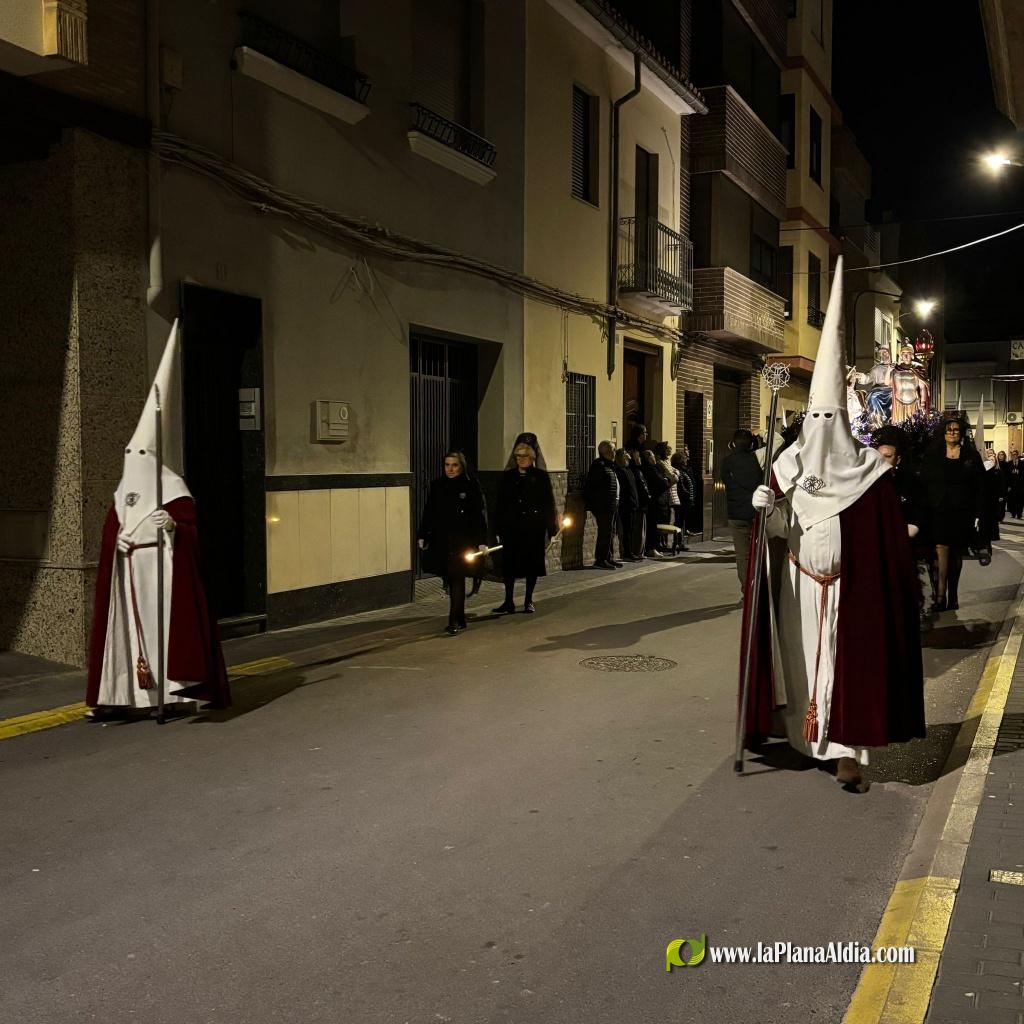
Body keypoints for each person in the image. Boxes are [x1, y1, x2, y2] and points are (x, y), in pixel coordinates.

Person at [742, 257, 925, 789]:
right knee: (802, 667)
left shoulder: (869, 475)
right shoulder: (787, 467)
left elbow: (887, 539)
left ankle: (848, 753)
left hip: (851, 591)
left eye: (830, 419)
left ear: (842, 423)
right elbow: (778, 534)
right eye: (814, 419)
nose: (821, 428)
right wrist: (767, 509)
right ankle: (806, 739)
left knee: (848, 669)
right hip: (798, 584)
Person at [86, 321, 231, 718]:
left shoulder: (173, 483)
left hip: (163, 574)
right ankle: (126, 697)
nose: (134, 461)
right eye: (130, 453)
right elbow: (112, 525)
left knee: (164, 631)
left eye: (141, 455)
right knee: (131, 637)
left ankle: (174, 695)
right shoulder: (123, 488)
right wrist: (114, 542)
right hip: (129, 572)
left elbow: (190, 528)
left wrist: (173, 528)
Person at [417, 451, 488, 635]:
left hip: (463, 540)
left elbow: (478, 516)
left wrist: (481, 541)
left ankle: (454, 619)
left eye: (454, 465)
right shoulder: (438, 485)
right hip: (442, 540)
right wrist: (423, 534)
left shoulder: (471, 486)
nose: (450, 469)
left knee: (457, 578)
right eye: (447, 465)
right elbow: (429, 512)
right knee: (449, 577)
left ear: (462, 466)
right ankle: (461, 617)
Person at [919, 416, 984, 611]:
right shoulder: (933, 454)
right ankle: (940, 597)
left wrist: (979, 513)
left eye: (956, 430)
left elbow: (980, 486)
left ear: (961, 432)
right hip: (939, 510)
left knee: (956, 553)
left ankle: (953, 594)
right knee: (941, 550)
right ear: (943, 432)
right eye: (949, 430)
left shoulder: (971, 456)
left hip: (963, 511)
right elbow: (925, 481)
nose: (953, 433)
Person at [493, 441, 558, 614]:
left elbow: (548, 504)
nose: (520, 459)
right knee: (509, 565)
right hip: (512, 528)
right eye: (518, 456)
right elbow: (500, 503)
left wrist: (552, 529)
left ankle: (528, 600)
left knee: (532, 564)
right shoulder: (508, 477)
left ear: (532, 458)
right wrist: (497, 528)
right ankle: (508, 601)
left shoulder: (540, 477)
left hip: (533, 528)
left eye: (524, 456)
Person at [721, 429, 762, 596]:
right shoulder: (757, 459)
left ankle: (747, 591)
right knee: (759, 552)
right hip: (756, 512)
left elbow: (725, 480)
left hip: (736, 513)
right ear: (751, 443)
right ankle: (759, 588)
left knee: (742, 555)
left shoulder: (727, 462)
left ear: (733, 443)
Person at [584, 441, 621, 569]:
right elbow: (594, 487)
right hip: (604, 506)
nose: (615, 452)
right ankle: (601, 559)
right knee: (605, 532)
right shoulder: (599, 466)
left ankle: (608, 557)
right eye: (613, 450)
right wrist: (598, 504)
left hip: (612, 504)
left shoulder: (610, 465)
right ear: (606, 452)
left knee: (611, 532)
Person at [613, 448, 642, 561]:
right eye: (626, 454)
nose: (629, 456)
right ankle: (627, 553)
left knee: (631, 529)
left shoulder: (628, 470)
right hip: (626, 505)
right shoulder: (620, 471)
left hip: (632, 503)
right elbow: (624, 490)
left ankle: (631, 551)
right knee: (626, 530)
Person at [640, 449, 670, 557]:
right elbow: (663, 483)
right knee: (652, 525)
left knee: (655, 525)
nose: (654, 458)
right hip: (654, 501)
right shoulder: (649, 469)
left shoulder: (653, 468)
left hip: (657, 501)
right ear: (648, 458)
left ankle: (654, 547)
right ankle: (651, 548)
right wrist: (666, 480)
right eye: (652, 456)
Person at [890, 344, 931, 424]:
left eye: (908, 353)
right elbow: (888, 383)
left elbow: (922, 387)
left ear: (912, 356)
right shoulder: (895, 369)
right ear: (901, 356)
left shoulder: (918, 369)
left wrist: (922, 403)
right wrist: (889, 370)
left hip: (914, 402)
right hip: (899, 402)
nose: (905, 356)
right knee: (899, 425)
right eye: (903, 354)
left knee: (913, 425)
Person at [654, 441, 680, 554]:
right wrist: (674, 476)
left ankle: (664, 543)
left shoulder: (666, 462)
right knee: (661, 521)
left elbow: (675, 473)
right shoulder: (660, 463)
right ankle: (660, 544)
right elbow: (672, 476)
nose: (668, 451)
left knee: (667, 520)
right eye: (666, 449)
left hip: (669, 496)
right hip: (664, 495)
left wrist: (675, 475)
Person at [670, 450, 694, 552]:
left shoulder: (684, 470)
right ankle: (678, 543)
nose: (686, 460)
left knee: (681, 522)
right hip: (682, 501)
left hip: (686, 501)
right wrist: (687, 495)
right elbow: (681, 487)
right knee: (679, 522)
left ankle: (680, 542)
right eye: (684, 458)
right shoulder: (678, 471)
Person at [629, 448, 651, 557]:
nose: (639, 459)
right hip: (639, 504)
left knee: (642, 529)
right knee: (638, 530)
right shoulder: (635, 471)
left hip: (642, 504)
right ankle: (637, 551)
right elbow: (640, 488)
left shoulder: (638, 470)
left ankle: (640, 551)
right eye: (637, 457)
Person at [1006, 449, 1024, 519]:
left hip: (1020, 485)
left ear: (1017, 455)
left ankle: (1019, 514)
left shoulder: (1022, 463)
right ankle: (1013, 513)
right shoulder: (1009, 463)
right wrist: (1008, 485)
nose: (1014, 456)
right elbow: (1007, 475)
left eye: (1016, 454)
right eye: (1013, 455)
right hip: (1012, 485)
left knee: (1020, 500)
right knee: (1012, 500)